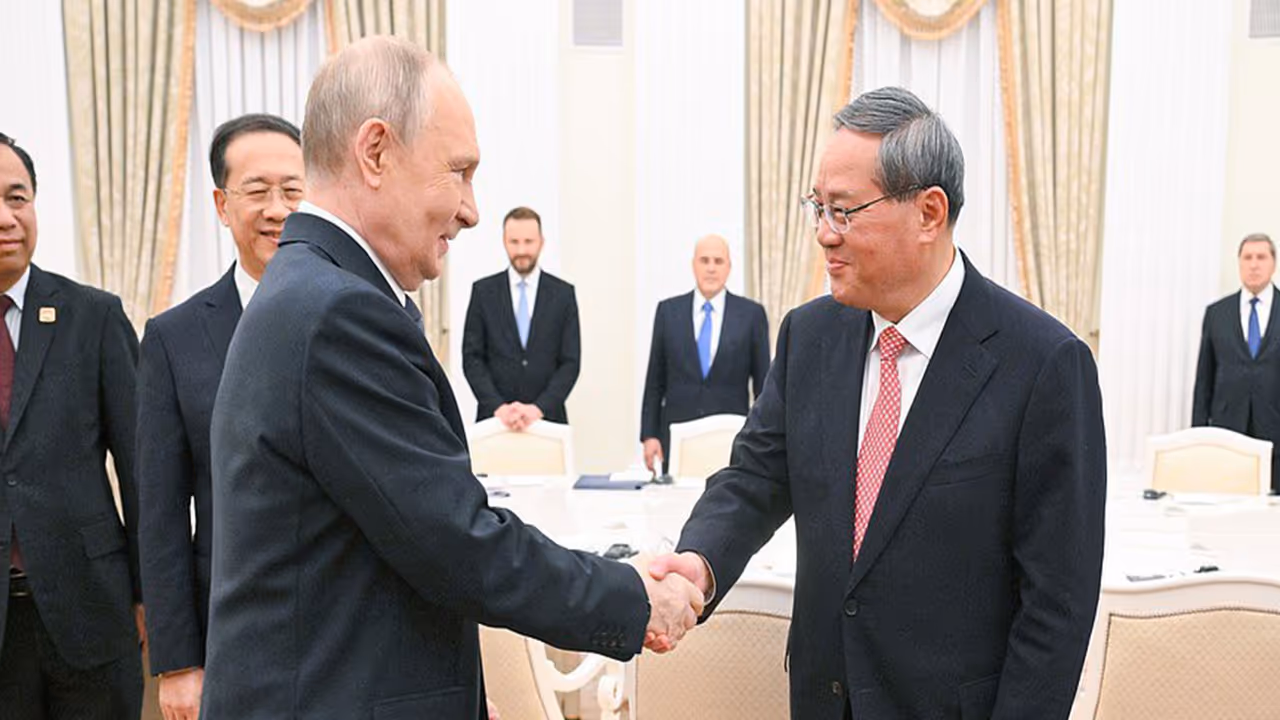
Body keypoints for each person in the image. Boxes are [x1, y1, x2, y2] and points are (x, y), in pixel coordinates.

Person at [200, 37, 701, 720]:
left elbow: (390, 546)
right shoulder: (338, 312)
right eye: (459, 172)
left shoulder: (312, 290)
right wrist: (631, 596)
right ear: (374, 152)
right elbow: (457, 543)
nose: (471, 210)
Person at [649, 87, 1106, 719]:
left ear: (928, 213)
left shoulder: (1043, 364)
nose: (822, 235)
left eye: (844, 211)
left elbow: (1058, 605)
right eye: (817, 208)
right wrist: (698, 563)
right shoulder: (810, 337)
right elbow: (755, 476)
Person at [135, 113, 304, 720]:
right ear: (221, 203)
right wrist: (178, 662)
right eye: (257, 191)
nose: (277, 209)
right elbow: (158, 514)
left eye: (293, 190)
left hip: (346, 631)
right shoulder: (174, 338)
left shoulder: (358, 317)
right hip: (230, 635)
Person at [0, 132, 144, 717]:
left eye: (17, 197)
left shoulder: (94, 316)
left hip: (91, 614)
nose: (6, 218)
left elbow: (143, 471)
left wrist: (148, 595)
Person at [640, 234, 769, 474]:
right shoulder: (668, 312)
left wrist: (761, 443)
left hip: (731, 441)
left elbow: (763, 388)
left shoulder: (752, 315)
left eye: (718, 261)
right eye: (704, 260)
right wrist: (649, 435)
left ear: (729, 267)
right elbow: (654, 381)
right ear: (693, 265)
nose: (711, 268)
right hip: (676, 439)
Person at [462, 206, 580, 430]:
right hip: (495, 422)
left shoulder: (563, 295)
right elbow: (472, 358)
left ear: (541, 242)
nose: (522, 249)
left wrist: (538, 409)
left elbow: (570, 362)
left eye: (529, 241)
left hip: (548, 422)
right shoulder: (483, 292)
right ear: (504, 242)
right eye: (514, 242)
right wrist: (499, 408)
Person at [1193, 232, 1280, 492]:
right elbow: (1204, 379)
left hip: (1276, 438)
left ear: (1273, 263)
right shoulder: (1217, 314)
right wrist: (1198, 436)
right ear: (1239, 263)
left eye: (1261, 257)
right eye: (1248, 257)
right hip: (1227, 435)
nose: (1254, 264)